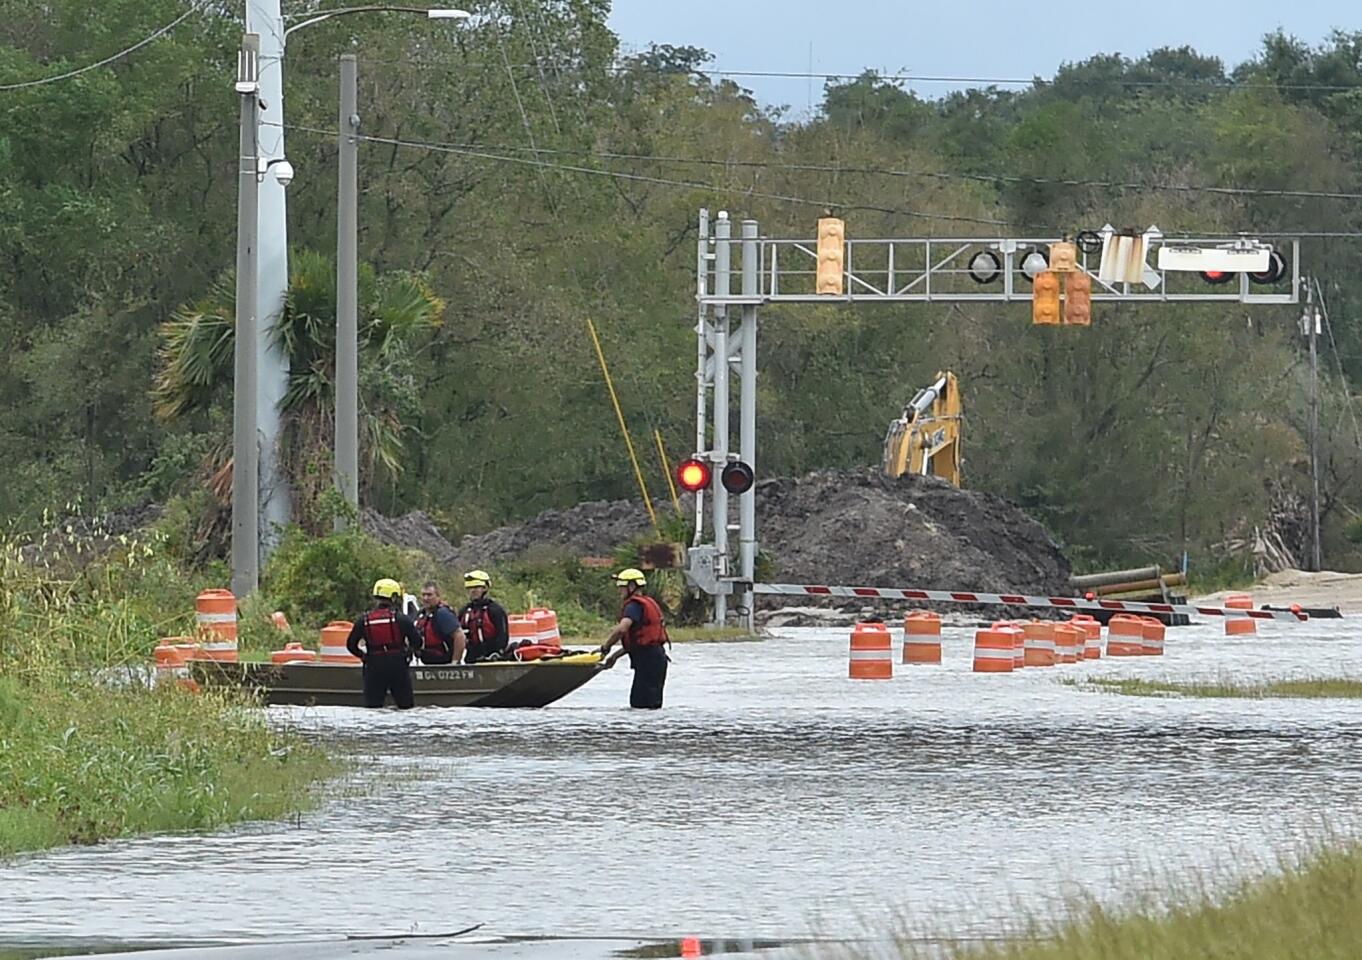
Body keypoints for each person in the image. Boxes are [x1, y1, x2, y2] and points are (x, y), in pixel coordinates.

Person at [598, 568, 670, 709]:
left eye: (622, 588)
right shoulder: (646, 602)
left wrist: (606, 647)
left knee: (640, 704)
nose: (620, 591)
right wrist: (614, 657)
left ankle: (642, 731)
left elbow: (622, 629)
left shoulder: (633, 606)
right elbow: (637, 642)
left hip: (648, 661)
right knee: (649, 704)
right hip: (656, 659)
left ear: (632, 586)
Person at [346, 578, 423, 709]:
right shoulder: (401, 619)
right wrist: (408, 652)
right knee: (405, 707)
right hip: (398, 665)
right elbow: (417, 642)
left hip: (373, 665)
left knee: (373, 707)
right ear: (393, 597)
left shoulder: (363, 620)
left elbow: (351, 645)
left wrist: (364, 656)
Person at [458, 570, 510, 663]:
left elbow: (503, 636)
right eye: (470, 588)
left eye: (476, 587)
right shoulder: (464, 611)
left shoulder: (495, 610)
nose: (473, 590)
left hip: (492, 657)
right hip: (472, 657)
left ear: (485, 588)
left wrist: (497, 653)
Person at [414, 580, 466, 666]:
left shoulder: (443, 613)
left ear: (438, 596)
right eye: (423, 595)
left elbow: (460, 636)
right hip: (426, 664)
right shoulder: (421, 615)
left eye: (429, 595)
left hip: (444, 663)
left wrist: (455, 662)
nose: (425, 598)